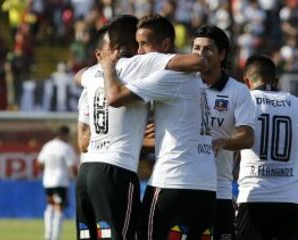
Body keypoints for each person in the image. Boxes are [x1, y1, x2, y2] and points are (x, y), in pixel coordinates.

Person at [75, 14, 207, 240]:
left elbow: (82, 141)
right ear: (126, 45)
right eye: (138, 43)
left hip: (86, 173)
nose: (140, 49)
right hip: (116, 172)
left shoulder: (90, 75)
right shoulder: (139, 63)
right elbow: (197, 62)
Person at [236, 54, 298, 240]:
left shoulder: (244, 100)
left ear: (246, 81)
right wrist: (293, 176)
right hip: (290, 200)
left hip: (254, 198)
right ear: (276, 80)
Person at [191, 25, 256, 240]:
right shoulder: (181, 85)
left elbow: (247, 137)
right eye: (196, 48)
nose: (200, 54)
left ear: (222, 54)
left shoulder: (237, 91)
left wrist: (222, 142)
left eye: (208, 49)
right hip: (181, 186)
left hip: (218, 190)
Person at [36, 125, 78, 240]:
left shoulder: (47, 146)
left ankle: (48, 235)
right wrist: (76, 179)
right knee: (59, 208)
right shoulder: (66, 147)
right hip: (60, 182)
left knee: (50, 206)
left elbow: (38, 164)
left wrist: (47, 171)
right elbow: (72, 166)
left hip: (48, 181)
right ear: (65, 135)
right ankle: (55, 237)